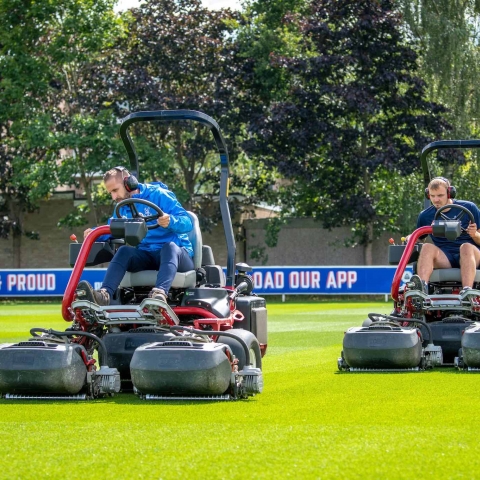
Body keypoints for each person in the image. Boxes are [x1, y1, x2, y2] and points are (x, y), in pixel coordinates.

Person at [76, 167, 194, 305]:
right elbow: (112, 229)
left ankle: (159, 294)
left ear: (129, 183)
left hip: (177, 256)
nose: (114, 197)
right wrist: (94, 233)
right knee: (124, 251)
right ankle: (105, 295)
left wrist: (170, 221)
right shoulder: (123, 207)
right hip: (147, 254)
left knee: (170, 247)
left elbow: (187, 223)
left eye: (115, 190)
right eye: (110, 193)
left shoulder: (159, 195)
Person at [408, 177, 480, 295]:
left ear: (449, 193)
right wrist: (410, 237)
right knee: (426, 247)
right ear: (428, 195)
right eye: (432, 196)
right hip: (445, 257)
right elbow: (419, 237)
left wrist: (475, 234)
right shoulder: (425, 216)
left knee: (466, 247)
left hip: (471, 255)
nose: (436, 200)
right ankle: (420, 291)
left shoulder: (470, 208)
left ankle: (467, 291)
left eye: (440, 195)